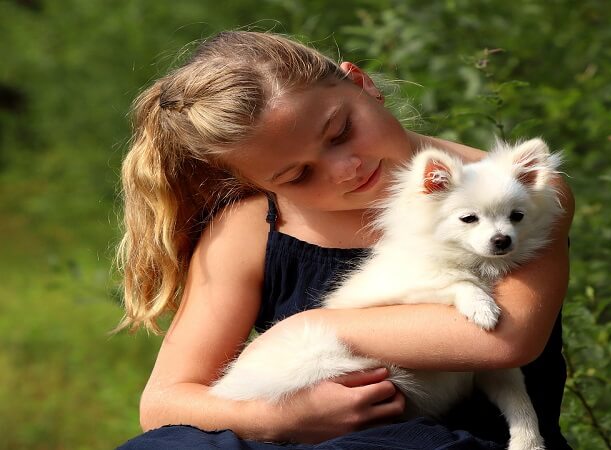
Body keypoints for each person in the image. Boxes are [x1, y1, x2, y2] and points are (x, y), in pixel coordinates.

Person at [115, 31, 574, 450]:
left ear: (360, 82)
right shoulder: (248, 228)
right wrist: (276, 417)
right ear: (253, 180)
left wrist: (311, 326)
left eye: (341, 131)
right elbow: (163, 403)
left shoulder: (520, 192)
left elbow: (505, 341)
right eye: (297, 175)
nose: (344, 169)